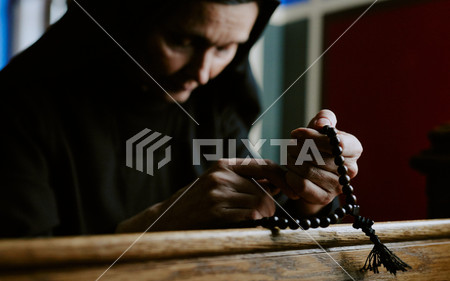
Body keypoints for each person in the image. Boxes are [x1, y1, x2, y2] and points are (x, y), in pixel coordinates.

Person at [0, 0, 362, 237]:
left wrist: (311, 190)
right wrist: (156, 227)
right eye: (181, 40)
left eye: (225, 48)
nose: (202, 72)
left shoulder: (217, 98)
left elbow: (263, 217)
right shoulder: (21, 105)